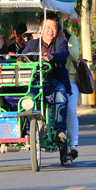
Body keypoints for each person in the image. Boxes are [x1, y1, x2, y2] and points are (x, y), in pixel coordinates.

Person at [21, 15, 70, 145]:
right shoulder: (32, 44)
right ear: (41, 29)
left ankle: (60, 129)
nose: (50, 30)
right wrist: (21, 60)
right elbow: (23, 56)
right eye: (47, 27)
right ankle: (25, 130)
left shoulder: (60, 42)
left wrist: (52, 56)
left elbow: (63, 53)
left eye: (53, 27)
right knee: (28, 100)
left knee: (61, 97)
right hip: (36, 81)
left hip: (54, 80)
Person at [62, 16, 81, 160]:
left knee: (70, 110)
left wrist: (64, 41)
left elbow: (75, 55)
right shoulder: (41, 41)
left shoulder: (71, 38)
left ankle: (73, 144)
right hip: (49, 80)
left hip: (70, 80)